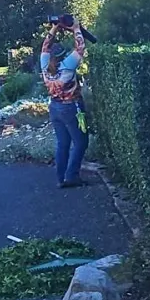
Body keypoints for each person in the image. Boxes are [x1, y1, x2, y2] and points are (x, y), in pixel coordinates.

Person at [40, 14, 89, 187]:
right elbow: (81, 47)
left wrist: (55, 28)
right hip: (72, 108)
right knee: (81, 142)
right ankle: (71, 176)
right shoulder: (67, 65)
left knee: (63, 143)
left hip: (54, 107)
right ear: (62, 55)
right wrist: (76, 28)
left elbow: (45, 46)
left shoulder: (45, 65)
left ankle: (61, 178)